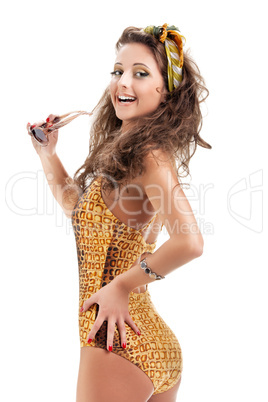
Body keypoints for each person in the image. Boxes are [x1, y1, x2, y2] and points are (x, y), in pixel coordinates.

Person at [27, 23, 211, 402]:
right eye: (118, 71)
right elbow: (80, 211)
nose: (122, 82)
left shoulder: (150, 156)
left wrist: (121, 285)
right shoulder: (129, 149)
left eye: (140, 74)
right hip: (147, 339)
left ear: (166, 91)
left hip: (116, 339)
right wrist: (48, 155)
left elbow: (190, 242)